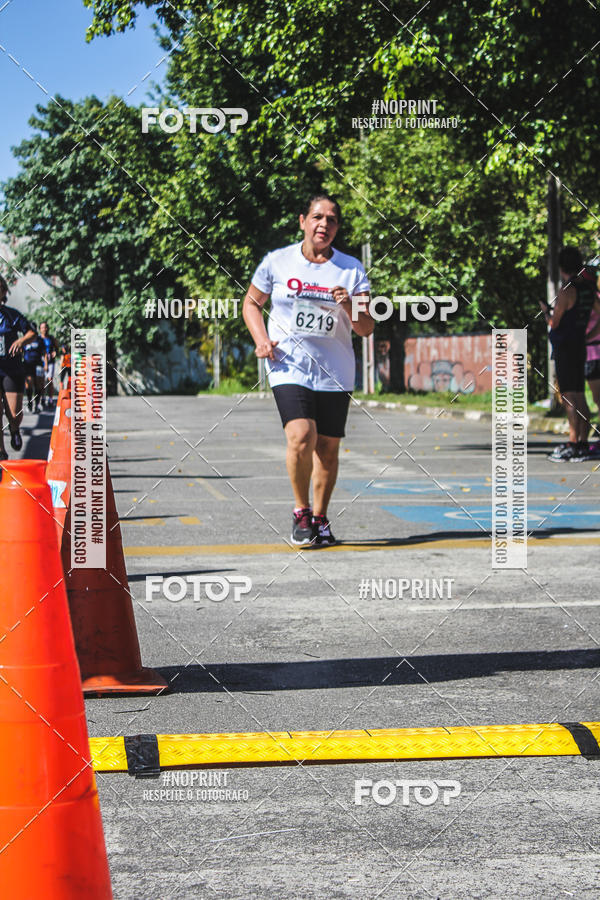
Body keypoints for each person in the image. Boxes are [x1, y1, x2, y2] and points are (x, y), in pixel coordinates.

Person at [243, 193, 374, 546]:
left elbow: (366, 328)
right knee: (302, 435)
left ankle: (320, 517)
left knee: (328, 448)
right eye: (318, 217)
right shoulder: (277, 262)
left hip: (335, 369)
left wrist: (350, 306)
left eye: (332, 220)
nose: (324, 225)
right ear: (303, 220)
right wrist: (261, 339)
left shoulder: (351, 269)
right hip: (288, 365)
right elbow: (252, 304)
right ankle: (301, 514)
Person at [540, 247, 597, 461]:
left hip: (565, 348)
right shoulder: (587, 290)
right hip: (580, 346)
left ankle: (573, 442)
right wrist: (590, 333)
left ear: (561, 267)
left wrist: (546, 311)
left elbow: (555, 323)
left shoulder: (566, 290)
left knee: (569, 396)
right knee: (580, 395)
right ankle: (582, 441)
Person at [0, 275, 35, 460]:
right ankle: (1, 453)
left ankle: (14, 429)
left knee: (13, 413)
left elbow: (32, 332)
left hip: (11, 370)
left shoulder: (12, 315)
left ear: (3, 292)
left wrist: (21, 340)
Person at [22, 328, 45, 413]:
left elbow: (44, 352)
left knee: (38, 385)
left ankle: (37, 404)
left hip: (38, 364)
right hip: (28, 364)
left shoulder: (40, 340)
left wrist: (45, 364)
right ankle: (29, 403)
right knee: (29, 384)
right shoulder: (24, 339)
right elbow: (21, 351)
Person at [39, 321, 60, 406]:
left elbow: (57, 348)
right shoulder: (38, 339)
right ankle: (43, 399)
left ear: (48, 328)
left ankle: (50, 400)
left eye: (46, 327)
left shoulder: (51, 338)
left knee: (49, 380)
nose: (44, 329)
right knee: (41, 381)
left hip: (50, 362)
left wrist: (55, 352)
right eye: (43, 327)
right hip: (40, 362)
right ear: (40, 329)